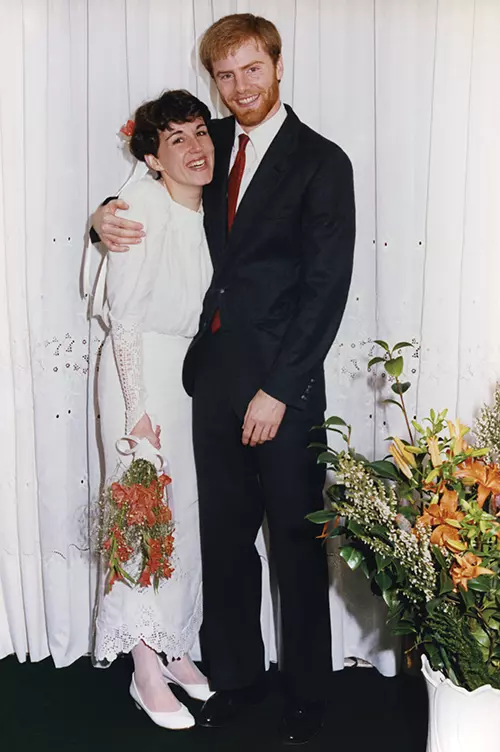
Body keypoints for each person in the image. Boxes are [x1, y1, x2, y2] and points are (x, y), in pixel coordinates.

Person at [92, 13, 356, 745]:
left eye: (252, 69)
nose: (239, 86)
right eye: (225, 74)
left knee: (297, 550)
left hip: (284, 390)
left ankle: (307, 697)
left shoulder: (321, 161)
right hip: (206, 385)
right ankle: (236, 678)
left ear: (277, 65)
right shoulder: (203, 138)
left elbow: (326, 287)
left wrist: (280, 390)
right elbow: (146, 178)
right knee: (225, 545)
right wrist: (101, 218)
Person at [93, 89, 215, 731]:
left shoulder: (212, 206)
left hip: (188, 380)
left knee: (184, 517)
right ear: (152, 157)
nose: (196, 148)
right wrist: (137, 414)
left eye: (201, 132)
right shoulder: (139, 205)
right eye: (177, 140)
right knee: (142, 521)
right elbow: (125, 318)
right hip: (136, 379)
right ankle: (143, 669)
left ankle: (173, 644)